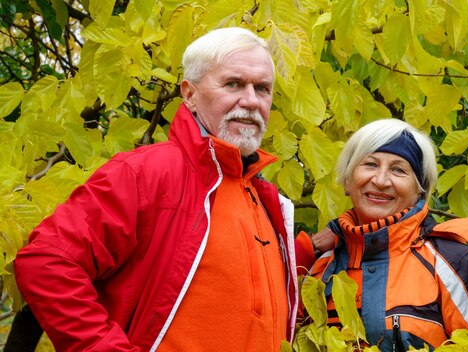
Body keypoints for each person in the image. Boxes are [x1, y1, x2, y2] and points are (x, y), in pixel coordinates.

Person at [14, 27, 300, 351]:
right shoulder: (147, 173)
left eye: (262, 88)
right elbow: (46, 261)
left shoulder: (267, 199)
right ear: (189, 94)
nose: (250, 100)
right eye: (233, 83)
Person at [303, 119, 468, 351]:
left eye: (398, 169)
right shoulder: (319, 267)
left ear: (420, 190)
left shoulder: (453, 263)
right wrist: (306, 249)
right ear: (346, 180)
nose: (381, 180)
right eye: (370, 164)